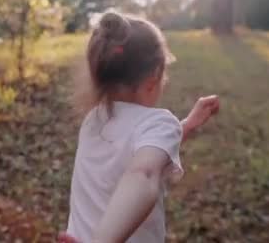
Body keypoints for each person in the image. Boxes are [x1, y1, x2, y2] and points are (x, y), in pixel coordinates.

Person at [58, 12, 220, 243]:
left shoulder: (94, 119)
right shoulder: (158, 123)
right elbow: (143, 173)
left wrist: (186, 126)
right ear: (155, 75)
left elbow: (146, 150)